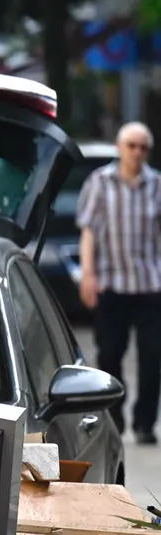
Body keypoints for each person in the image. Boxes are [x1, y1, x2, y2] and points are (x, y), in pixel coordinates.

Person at [78, 121, 161, 443]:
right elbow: (88, 231)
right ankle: (113, 420)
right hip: (111, 283)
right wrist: (88, 275)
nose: (137, 152)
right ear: (119, 147)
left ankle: (144, 423)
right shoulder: (99, 182)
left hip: (150, 284)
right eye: (131, 146)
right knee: (110, 353)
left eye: (143, 147)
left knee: (152, 355)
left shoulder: (156, 185)